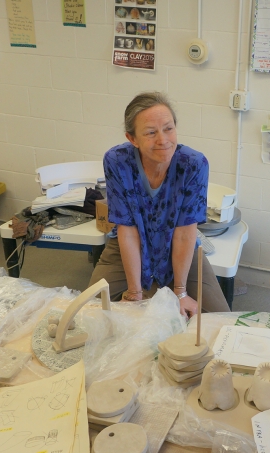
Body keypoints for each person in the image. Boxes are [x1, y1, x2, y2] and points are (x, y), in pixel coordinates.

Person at [90, 92, 230, 317]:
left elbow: (185, 234)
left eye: (168, 128)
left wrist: (181, 293)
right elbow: (127, 231)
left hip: (181, 243)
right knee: (92, 311)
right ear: (132, 138)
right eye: (151, 133)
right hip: (127, 243)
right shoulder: (117, 161)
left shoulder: (193, 164)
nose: (163, 140)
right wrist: (135, 292)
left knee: (219, 319)